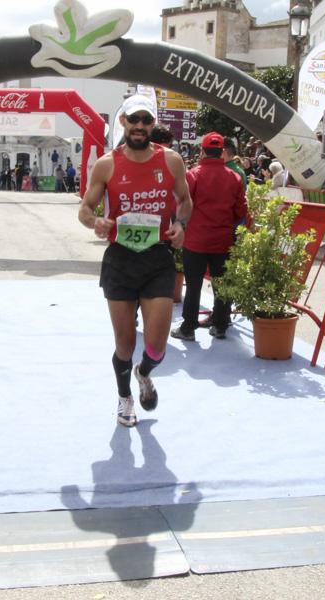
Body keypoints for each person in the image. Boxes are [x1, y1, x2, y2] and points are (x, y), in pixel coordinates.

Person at [77, 95, 192, 427]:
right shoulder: (106, 164)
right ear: (123, 122)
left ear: (153, 124)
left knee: (156, 347)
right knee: (125, 344)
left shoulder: (171, 161)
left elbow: (184, 201)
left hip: (158, 257)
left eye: (146, 119)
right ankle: (125, 396)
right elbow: (85, 209)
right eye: (133, 119)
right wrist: (94, 221)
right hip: (120, 260)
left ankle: (145, 373)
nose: (139, 125)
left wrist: (180, 224)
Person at [171, 132, 245, 343]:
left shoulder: (193, 175)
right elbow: (241, 210)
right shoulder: (235, 177)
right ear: (222, 152)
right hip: (222, 239)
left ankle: (188, 328)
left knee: (193, 284)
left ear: (202, 151)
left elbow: (179, 205)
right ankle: (220, 325)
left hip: (196, 239)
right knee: (221, 283)